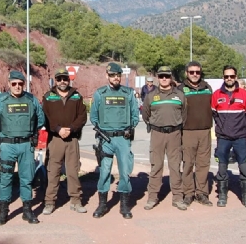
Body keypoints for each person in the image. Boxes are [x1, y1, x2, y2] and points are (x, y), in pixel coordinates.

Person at [0, 71, 45, 225]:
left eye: (20, 84)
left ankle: (27, 210)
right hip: (7, 146)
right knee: (6, 178)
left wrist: (31, 133)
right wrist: (0, 136)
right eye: (14, 84)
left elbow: (41, 118)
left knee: (27, 179)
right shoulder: (1, 101)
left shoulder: (31, 100)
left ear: (23, 84)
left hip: (26, 145)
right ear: (9, 84)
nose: (17, 86)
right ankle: (3, 211)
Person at [90, 62, 140, 219]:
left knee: (125, 172)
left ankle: (125, 205)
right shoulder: (100, 93)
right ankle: (103, 204)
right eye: (112, 75)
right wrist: (100, 130)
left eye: (118, 75)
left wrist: (129, 128)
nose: (116, 78)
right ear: (107, 76)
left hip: (123, 139)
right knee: (104, 171)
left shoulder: (128, 93)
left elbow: (134, 115)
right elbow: (93, 117)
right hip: (106, 139)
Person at [41, 67, 88, 214]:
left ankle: (76, 200)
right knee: (53, 171)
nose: (62, 81)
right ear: (56, 80)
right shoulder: (48, 96)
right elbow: (45, 117)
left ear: (69, 80)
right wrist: (58, 129)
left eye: (65, 78)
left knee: (73, 170)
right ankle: (50, 202)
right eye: (59, 79)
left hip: (72, 139)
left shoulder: (77, 96)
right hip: (55, 139)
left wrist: (71, 129)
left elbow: (82, 116)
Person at [141, 65, 187, 210]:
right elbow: (145, 115)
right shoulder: (151, 96)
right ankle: (152, 197)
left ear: (171, 77)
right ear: (158, 78)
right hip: (157, 134)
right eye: (161, 76)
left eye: (167, 76)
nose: (164, 79)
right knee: (156, 166)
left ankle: (178, 198)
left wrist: (176, 126)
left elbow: (184, 114)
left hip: (174, 134)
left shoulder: (179, 95)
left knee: (175, 166)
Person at [211, 65, 246, 208]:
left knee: (245, 166)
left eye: (232, 76)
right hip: (223, 137)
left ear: (236, 77)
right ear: (223, 77)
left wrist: (242, 126)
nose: (229, 79)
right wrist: (222, 127)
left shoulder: (244, 94)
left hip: (240, 137)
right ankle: (222, 196)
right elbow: (214, 114)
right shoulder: (216, 94)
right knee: (222, 167)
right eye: (226, 76)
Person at [180, 61, 213, 207]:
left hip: (205, 131)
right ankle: (188, 193)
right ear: (186, 73)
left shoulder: (207, 88)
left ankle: (201, 193)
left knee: (203, 164)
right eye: (192, 72)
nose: (195, 75)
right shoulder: (180, 89)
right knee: (188, 163)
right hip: (187, 131)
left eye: (197, 72)